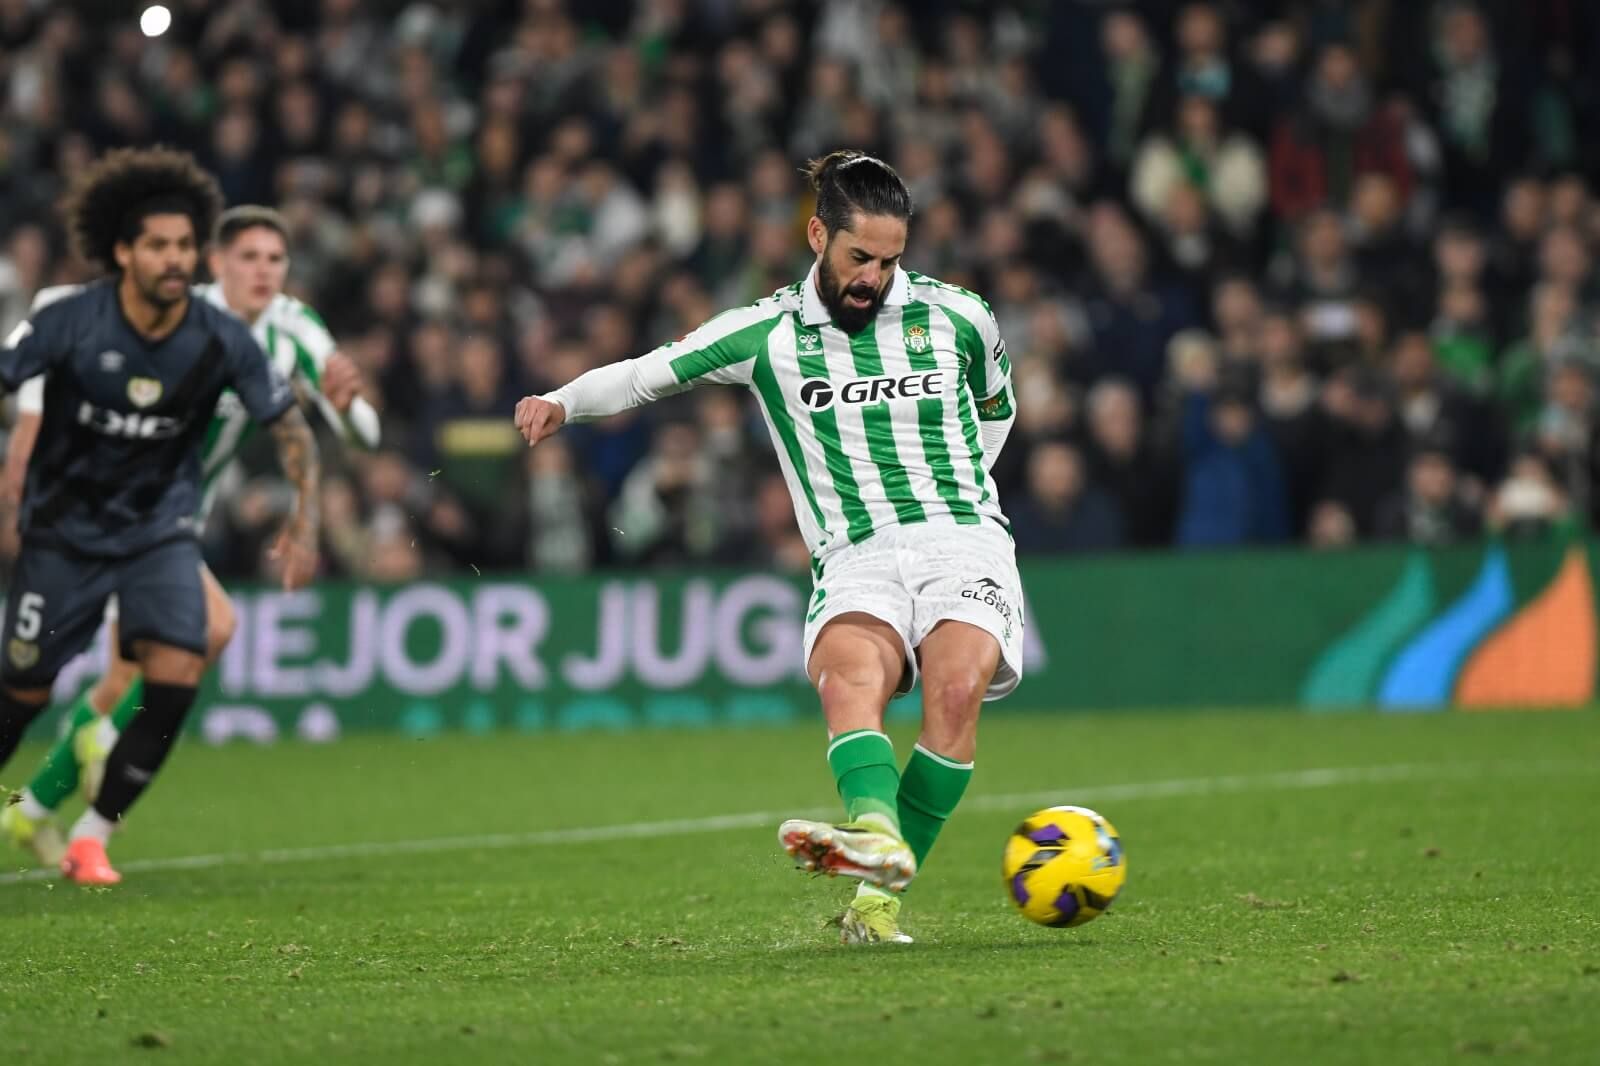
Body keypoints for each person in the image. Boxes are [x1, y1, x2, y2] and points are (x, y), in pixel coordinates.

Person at [514, 151, 1020, 945]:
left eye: (891, 261)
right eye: (859, 258)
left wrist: (953, 488)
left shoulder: (962, 316)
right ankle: (878, 840)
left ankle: (876, 904)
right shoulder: (767, 332)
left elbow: (995, 409)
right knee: (851, 681)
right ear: (818, 233)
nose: (875, 278)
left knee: (954, 694)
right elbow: (652, 375)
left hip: (961, 538)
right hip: (855, 551)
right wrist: (562, 400)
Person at [0, 204, 379, 867]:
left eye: (276, 260)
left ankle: (46, 814)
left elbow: (360, 432)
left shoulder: (295, 331)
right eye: (248, 257)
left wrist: (347, 413)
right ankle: (78, 813)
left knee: (141, 672)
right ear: (216, 262)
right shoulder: (172, 310)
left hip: (172, 525)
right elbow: (62, 321)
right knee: (188, 640)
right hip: (101, 512)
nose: (263, 272)